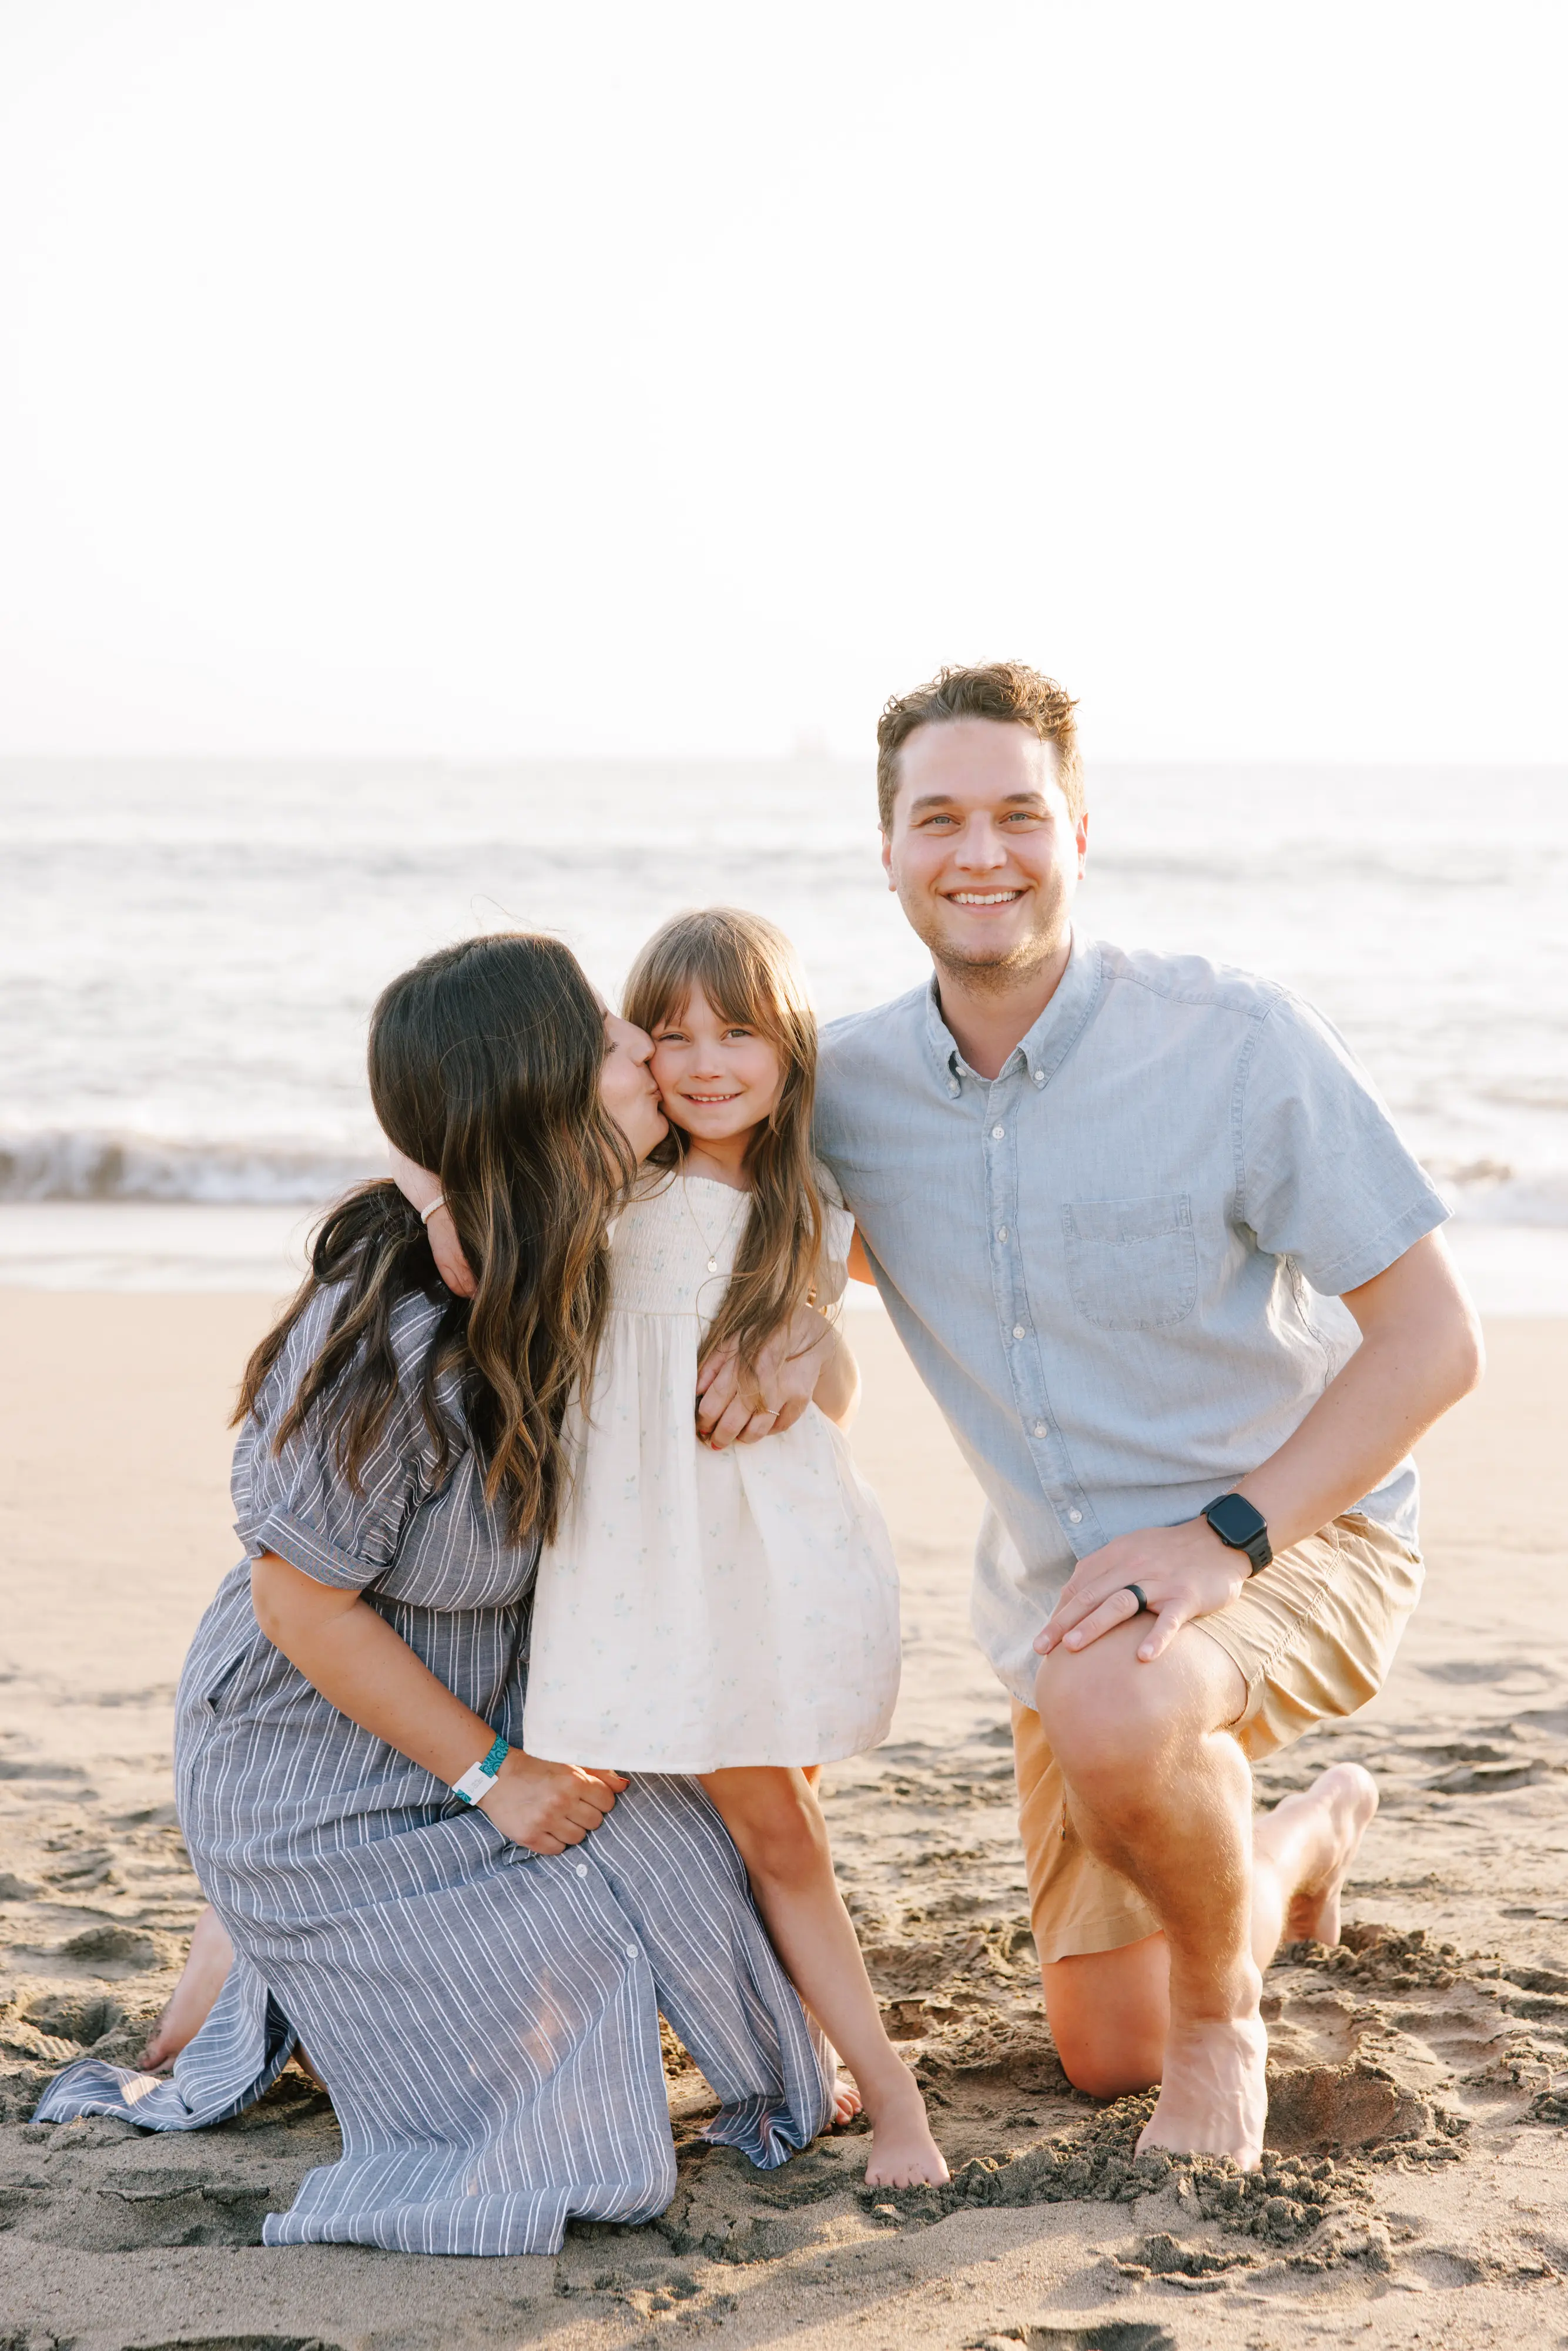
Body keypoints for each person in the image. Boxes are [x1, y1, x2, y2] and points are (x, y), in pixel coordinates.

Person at [707, 661, 1484, 2169]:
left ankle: (1225, 2026)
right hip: (1070, 1605)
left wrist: (1222, 1535)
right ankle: (1301, 1836)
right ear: (886, 850)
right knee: (1096, 2050)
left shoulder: (1234, 1044)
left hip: (1293, 1525)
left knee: (1126, 1705)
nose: (977, 852)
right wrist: (788, 1333)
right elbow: (726, 1207)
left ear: (1078, 830)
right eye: (937, 818)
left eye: (1017, 813)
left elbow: (1434, 1344)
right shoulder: (845, 1090)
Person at [35, 933, 833, 2254]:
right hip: (322, 1761)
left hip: (508, 1697)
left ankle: (249, 1961)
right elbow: (301, 1607)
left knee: (716, 1903)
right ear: (542, 1097)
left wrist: (798, 1317)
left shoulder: (595, 1227)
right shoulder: (391, 1342)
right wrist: (495, 1779)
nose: (646, 1048)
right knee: (571, 2039)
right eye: (611, 1038)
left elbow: (806, 1197)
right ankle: (258, 1941)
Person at [523, 907, 943, 2189]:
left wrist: (814, 1335)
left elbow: (840, 1402)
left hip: (764, 1561)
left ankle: (892, 2101)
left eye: (739, 1029)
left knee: (781, 1827)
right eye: (670, 1032)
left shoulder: (809, 1201)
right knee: (652, 1817)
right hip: (629, 1565)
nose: (705, 1061)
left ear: (790, 1044)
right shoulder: (608, 1184)